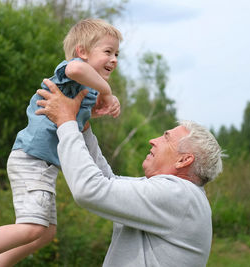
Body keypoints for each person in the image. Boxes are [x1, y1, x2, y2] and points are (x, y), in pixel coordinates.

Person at [0, 18, 122, 267]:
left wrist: (95, 110)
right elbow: (76, 70)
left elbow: (76, 127)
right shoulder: (73, 70)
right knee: (31, 227)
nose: (114, 59)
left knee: (45, 232)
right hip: (32, 159)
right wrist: (107, 91)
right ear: (82, 52)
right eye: (108, 51)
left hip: (43, 164)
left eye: (116, 53)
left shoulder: (87, 91)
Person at [35, 79, 224, 267]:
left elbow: (90, 190)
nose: (153, 140)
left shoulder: (179, 195)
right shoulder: (180, 194)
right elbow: (108, 182)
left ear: (184, 160)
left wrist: (66, 121)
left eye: (166, 138)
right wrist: (81, 125)